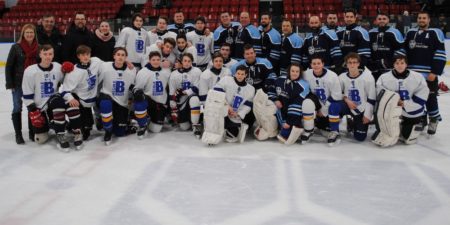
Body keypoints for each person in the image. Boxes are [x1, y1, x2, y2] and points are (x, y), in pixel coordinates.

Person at [21, 45, 73, 150]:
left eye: (50, 54)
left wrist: (70, 70)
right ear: (40, 54)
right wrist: (33, 109)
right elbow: (27, 93)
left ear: (53, 55)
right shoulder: (30, 71)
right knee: (40, 139)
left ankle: (59, 128)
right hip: (39, 106)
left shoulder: (58, 67)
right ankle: (53, 123)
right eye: (45, 54)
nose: (47, 57)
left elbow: (67, 83)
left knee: (58, 102)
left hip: (53, 103)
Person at [404, 11, 446, 136]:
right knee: (415, 98)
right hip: (412, 73)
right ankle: (421, 118)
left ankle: (434, 119)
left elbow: (440, 53)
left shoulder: (436, 32)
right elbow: (405, 51)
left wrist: (435, 71)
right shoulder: (411, 32)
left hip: (428, 73)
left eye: (424, 18)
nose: (421, 20)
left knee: (431, 97)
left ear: (428, 20)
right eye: (419, 18)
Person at [373, 55, 429, 146]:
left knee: (408, 139)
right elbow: (380, 94)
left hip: (410, 109)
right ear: (393, 65)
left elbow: (422, 95)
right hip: (392, 109)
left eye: (402, 63)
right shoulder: (384, 77)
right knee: (387, 132)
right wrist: (394, 101)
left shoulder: (417, 77)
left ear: (406, 64)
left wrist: (405, 104)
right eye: (397, 63)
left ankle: (420, 120)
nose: (400, 65)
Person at [61, 45, 104, 149]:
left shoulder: (95, 61)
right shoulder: (73, 71)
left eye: (88, 54)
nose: (86, 57)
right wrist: (71, 98)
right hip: (80, 99)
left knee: (88, 127)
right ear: (78, 56)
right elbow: (64, 90)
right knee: (85, 134)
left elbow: (108, 66)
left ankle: (94, 121)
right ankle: (70, 125)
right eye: (83, 55)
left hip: (92, 98)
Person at [203, 65, 255, 144]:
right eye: (238, 73)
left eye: (242, 74)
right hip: (221, 109)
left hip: (234, 115)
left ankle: (225, 127)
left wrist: (238, 114)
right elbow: (216, 93)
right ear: (235, 73)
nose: (239, 76)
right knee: (214, 107)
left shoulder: (251, 89)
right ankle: (210, 135)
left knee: (231, 136)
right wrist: (227, 106)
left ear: (246, 75)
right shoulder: (226, 80)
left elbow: (248, 106)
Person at [6, 23, 39, 144]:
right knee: (17, 107)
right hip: (18, 82)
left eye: (31, 32)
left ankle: (32, 132)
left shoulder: (38, 47)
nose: (29, 34)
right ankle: (18, 134)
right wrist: (10, 84)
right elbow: (9, 66)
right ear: (23, 34)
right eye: (27, 32)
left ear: (34, 34)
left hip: (33, 84)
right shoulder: (16, 47)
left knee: (32, 107)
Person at [97, 47, 137, 145]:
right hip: (107, 96)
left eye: (123, 55)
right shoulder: (105, 66)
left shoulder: (131, 70)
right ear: (114, 56)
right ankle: (107, 130)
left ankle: (117, 124)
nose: (120, 57)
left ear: (126, 57)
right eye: (118, 54)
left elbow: (133, 87)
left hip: (121, 103)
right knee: (105, 104)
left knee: (120, 133)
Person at [268, 63, 314, 145]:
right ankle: (283, 127)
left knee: (285, 133)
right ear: (289, 71)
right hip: (281, 108)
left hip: (295, 113)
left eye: (297, 71)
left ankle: (296, 126)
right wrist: (275, 100)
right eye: (293, 71)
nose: (295, 73)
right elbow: (271, 88)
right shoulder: (280, 79)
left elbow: (297, 104)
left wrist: (288, 122)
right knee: (270, 106)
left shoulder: (304, 85)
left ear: (300, 73)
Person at [303, 56, 343, 146]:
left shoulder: (332, 76)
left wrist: (324, 110)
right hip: (316, 103)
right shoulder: (306, 74)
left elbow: (336, 95)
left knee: (325, 128)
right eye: (314, 64)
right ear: (310, 65)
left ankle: (334, 131)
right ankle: (308, 130)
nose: (316, 66)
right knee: (307, 102)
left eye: (318, 63)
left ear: (323, 64)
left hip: (328, 105)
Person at [338, 53, 375, 141]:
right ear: (346, 64)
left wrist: (367, 115)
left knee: (360, 137)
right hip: (348, 105)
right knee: (334, 106)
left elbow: (372, 97)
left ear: (358, 63)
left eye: (354, 62)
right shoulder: (342, 77)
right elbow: (337, 93)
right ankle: (334, 131)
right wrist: (347, 100)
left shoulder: (367, 77)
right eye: (349, 62)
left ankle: (352, 123)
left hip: (361, 108)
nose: (352, 64)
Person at [133, 51, 172, 137]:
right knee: (139, 100)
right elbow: (137, 89)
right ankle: (142, 124)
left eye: (158, 59)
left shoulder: (166, 71)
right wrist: (138, 93)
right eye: (153, 59)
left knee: (156, 130)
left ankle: (149, 118)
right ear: (149, 60)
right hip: (148, 101)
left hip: (160, 103)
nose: (156, 61)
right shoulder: (143, 72)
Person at [169, 53, 202, 137]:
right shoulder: (174, 74)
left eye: (189, 61)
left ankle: (196, 125)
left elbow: (197, 88)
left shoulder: (197, 71)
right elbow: (172, 91)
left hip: (192, 99)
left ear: (192, 62)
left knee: (194, 99)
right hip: (181, 102)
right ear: (181, 62)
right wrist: (173, 103)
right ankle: (191, 120)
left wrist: (184, 92)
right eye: (185, 61)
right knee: (184, 127)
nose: (187, 63)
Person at [368, 13, 405, 80]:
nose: (382, 20)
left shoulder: (395, 32)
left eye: (384, 19)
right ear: (376, 20)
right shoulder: (371, 33)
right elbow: (368, 50)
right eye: (379, 19)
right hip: (374, 69)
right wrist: (370, 62)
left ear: (388, 20)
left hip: (389, 69)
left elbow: (401, 51)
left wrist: (388, 62)